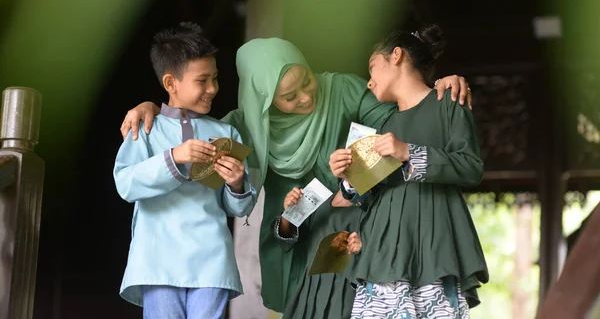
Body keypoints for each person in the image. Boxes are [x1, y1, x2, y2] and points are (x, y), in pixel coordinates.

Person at [120, 37, 472, 316]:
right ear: (263, 100)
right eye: (289, 97)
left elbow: (399, 119)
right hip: (293, 237)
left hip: (356, 229)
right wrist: (151, 107)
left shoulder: (342, 90)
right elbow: (189, 134)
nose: (306, 97)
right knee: (307, 307)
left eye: (306, 80)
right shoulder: (241, 127)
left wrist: (435, 86)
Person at [329, 24, 488, 319]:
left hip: (433, 248)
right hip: (382, 254)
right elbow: (369, 194)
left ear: (397, 56)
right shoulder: (384, 126)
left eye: (372, 67)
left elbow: (470, 167)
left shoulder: (448, 103)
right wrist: (347, 178)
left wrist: (408, 153)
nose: (369, 81)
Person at [114, 22, 257, 319]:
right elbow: (125, 184)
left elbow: (238, 209)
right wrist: (173, 157)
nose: (213, 89)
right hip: (157, 260)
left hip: (212, 258)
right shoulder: (146, 129)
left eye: (215, 78)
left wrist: (237, 183)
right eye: (202, 80)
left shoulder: (226, 132)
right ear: (171, 83)